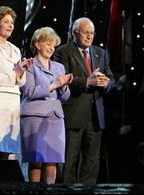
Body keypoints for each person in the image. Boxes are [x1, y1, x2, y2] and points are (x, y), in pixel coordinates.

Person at [53, 17, 115, 184]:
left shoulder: (100, 53)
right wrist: (88, 82)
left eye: (92, 33)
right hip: (74, 114)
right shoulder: (63, 52)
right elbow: (62, 79)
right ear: (75, 33)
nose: (90, 36)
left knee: (92, 162)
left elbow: (111, 78)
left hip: (95, 116)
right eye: (86, 33)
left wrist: (106, 83)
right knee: (69, 161)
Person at [20, 27, 73, 184]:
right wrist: (54, 84)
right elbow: (29, 91)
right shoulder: (29, 64)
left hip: (55, 117)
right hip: (35, 117)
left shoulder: (59, 67)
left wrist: (63, 86)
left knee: (52, 158)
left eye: (54, 45)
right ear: (37, 44)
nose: (52, 48)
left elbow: (65, 96)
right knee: (36, 159)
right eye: (48, 44)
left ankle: (50, 190)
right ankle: (34, 190)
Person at [0, 6, 33, 160]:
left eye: (12, 22)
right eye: (6, 22)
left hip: (12, 101)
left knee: (8, 147)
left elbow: (21, 82)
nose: (11, 25)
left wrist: (22, 71)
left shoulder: (16, 50)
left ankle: (3, 183)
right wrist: (14, 72)